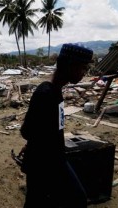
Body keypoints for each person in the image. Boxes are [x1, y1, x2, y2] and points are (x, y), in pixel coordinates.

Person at [20, 43, 93, 208]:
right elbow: (27, 131)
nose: (84, 73)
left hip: (53, 160)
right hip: (44, 164)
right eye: (82, 67)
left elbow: (46, 129)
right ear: (69, 66)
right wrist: (33, 144)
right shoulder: (46, 93)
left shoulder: (56, 92)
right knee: (76, 198)